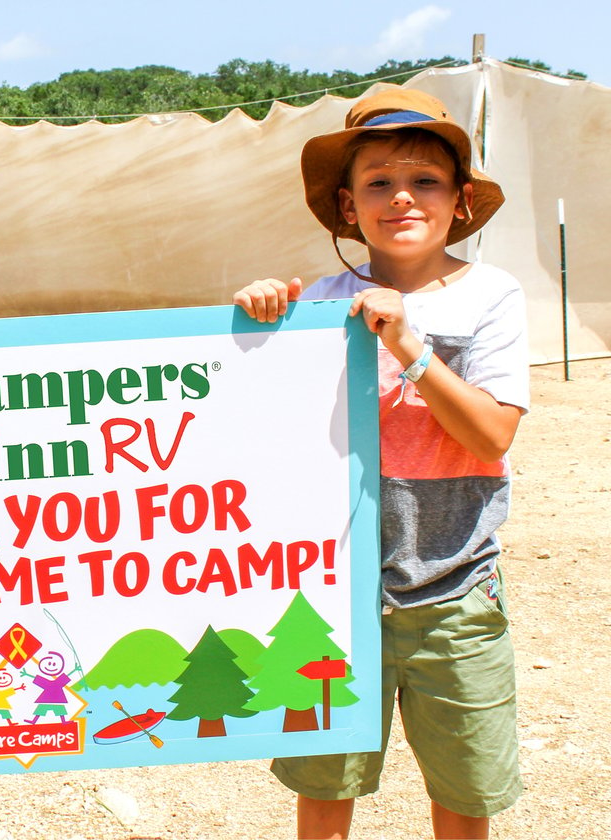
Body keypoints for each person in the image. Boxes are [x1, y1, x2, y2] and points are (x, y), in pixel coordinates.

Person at [233, 89, 528, 840]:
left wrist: (411, 346)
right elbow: (253, 422)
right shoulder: (319, 302)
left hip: (455, 590)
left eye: (426, 180)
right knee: (326, 788)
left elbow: (492, 435)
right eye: (378, 182)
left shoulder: (492, 295)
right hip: (335, 595)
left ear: (461, 201)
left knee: (464, 795)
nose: (402, 196)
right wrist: (256, 316)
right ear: (347, 205)